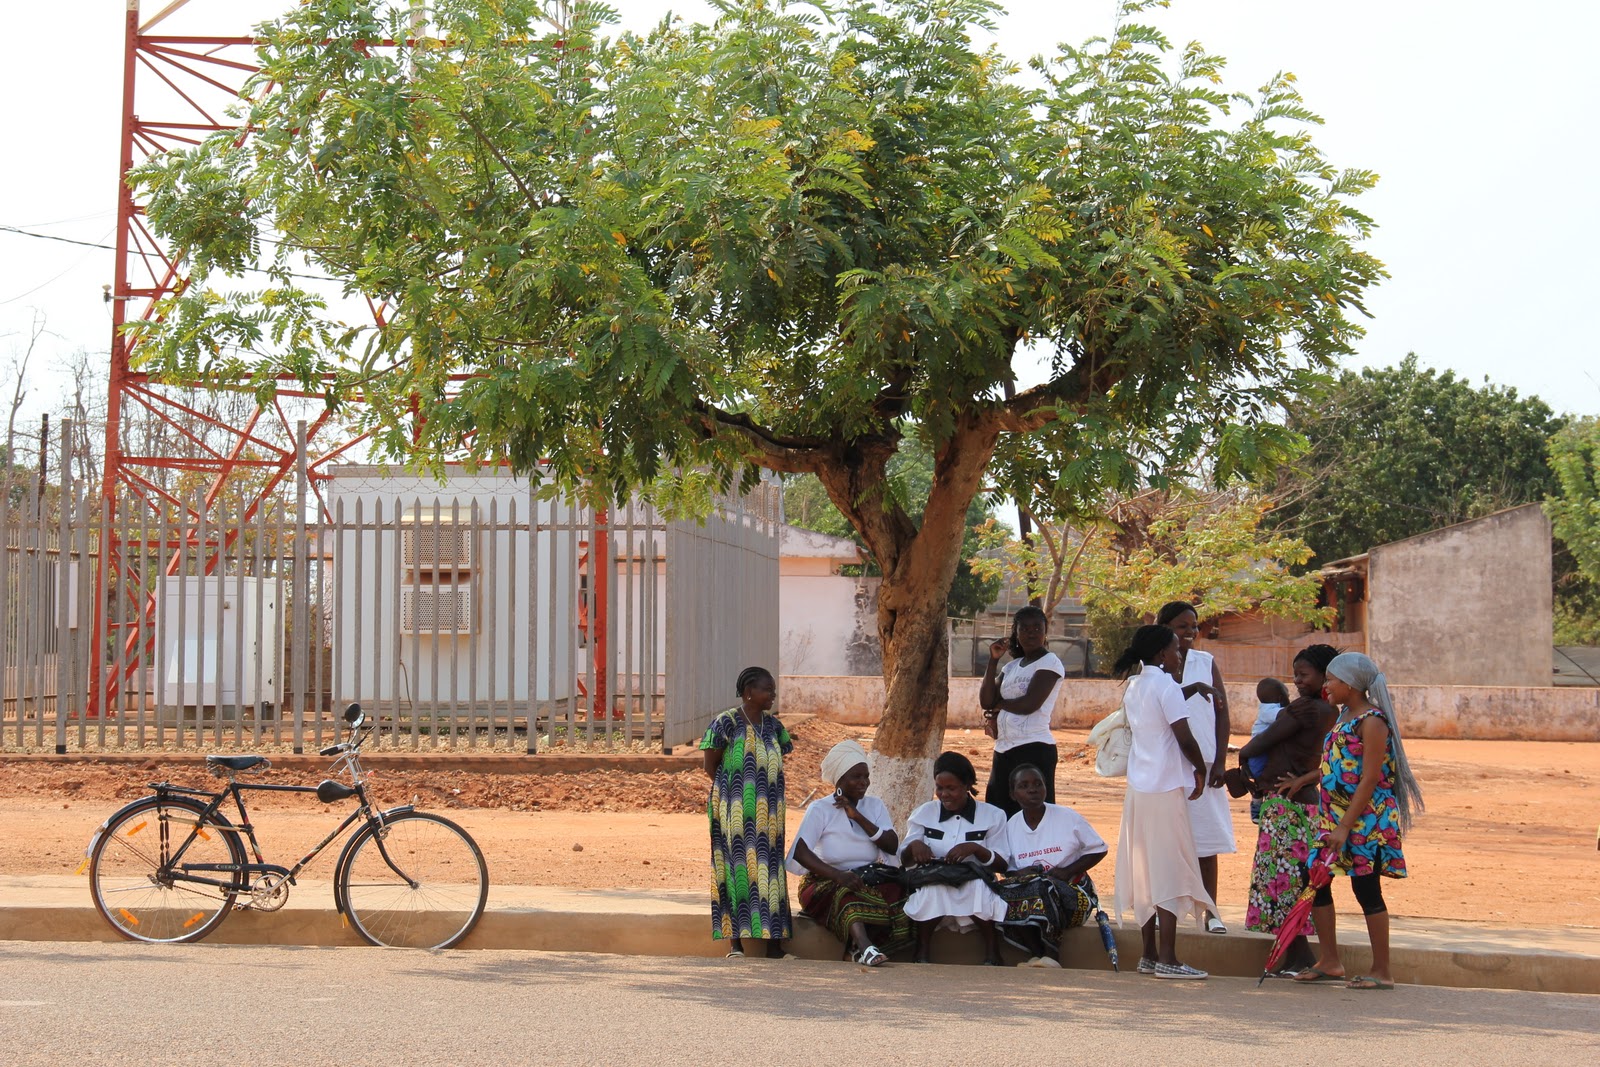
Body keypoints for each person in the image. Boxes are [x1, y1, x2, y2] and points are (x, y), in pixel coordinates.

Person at [1295, 652, 1423, 990]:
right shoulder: (1344, 716)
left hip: (1365, 821)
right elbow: (1337, 763)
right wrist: (1309, 778)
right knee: (1316, 879)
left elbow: (1368, 778)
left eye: (1332, 681)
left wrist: (1344, 827)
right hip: (1334, 818)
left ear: (1350, 685)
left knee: (1366, 888)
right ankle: (1330, 960)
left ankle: (1382, 970)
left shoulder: (1372, 721)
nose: (1326, 686)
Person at [1110, 624, 1216, 979]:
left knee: (1145, 870)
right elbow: (1183, 737)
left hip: (1139, 790)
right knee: (1169, 867)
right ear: (1161, 655)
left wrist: (1190, 688)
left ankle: (1149, 955)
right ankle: (1169, 959)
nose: (1180, 653)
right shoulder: (1166, 685)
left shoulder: (1137, 685)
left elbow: (1158, 711)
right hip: (1165, 789)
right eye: (1175, 648)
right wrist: (1201, 769)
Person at [1236, 644, 1339, 974]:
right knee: (1290, 878)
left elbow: (1261, 742)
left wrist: (1243, 758)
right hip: (1300, 800)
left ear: (1326, 675)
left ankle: (1302, 956)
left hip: (1286, 805)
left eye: (1304, 674)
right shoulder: (1328, 710)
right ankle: (1296, 954)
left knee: (1285, 881)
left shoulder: (1308, 709)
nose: (1297, 680)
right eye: (1295, 674)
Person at [786, 740, 911, 967]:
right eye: (856, 777)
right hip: (825, 880)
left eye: (866, 776)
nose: (864, 783)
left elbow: (892, 845)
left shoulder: (874, 806)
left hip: (868, 877)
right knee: (847, 896)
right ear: (840, 780)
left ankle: (855, 949)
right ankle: (865, 948)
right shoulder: (820, 809)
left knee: (898, 893)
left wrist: (857, 817)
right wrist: (838, 875)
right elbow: (801, 853)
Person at [700, 666, 792, 958]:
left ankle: (774, 947)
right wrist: (736, 796)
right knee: (735, 870)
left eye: (773, 691)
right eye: (767, 690)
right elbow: (710, 766)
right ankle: (735, 944)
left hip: (771, 816)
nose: (772, 696)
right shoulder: (725, 723)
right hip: (735, 814)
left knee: (771, 874)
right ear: (749, 692)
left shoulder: (774, 726)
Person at [1155, 601, 1234, 933]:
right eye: (1181, 626)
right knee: (1166, 841)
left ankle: (1210, 911)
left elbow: (1222, 713)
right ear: (1164, 629)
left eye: (1193, 626)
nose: (1189, 632)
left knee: (1205, 842)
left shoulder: (1206, 662)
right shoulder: (1153, 667)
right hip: (1166, 765)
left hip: (1203, 764)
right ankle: (1165, 911)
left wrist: (1219, 762)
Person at [901, 751, 1010, 965]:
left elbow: (1002, 863)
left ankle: (992, 950)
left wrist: (976, 850)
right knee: (934, 889)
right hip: (934, 876)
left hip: (976, 878)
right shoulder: (924, 813)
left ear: (967, 785)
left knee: (976, 888)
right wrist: (914, 846)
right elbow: (904, 860)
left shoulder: (993, 815)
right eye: (939, 788)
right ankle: (922, 950)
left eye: (951, 788)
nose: (944, 795)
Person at [998, 763, 1107, 967]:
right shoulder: (1011, 826)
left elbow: (1099, 849)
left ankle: (1052, 954)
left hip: (1075, 896)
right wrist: (1021, 872)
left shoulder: (1067, 817)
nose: (1032, 789)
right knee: (1004, 892)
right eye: (1024, 785)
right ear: (1013, 794)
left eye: (1038, 784)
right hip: (1035, 896)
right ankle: (1036, 954)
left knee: (1043, 887)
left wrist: (1068, 871)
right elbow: (1008, 870)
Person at [979, 605, 1065, 817]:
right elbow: (986, 701)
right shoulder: (1012, 667)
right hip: (1004, 750)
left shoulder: (1050, 662)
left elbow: (1030, 704)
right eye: (1024, 628)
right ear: (1015, 633)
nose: (1031, 633)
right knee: (998, 811)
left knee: (1032, 814)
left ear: (1046, 632)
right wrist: (993, 660)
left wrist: (1001, 705)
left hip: (1033, 748)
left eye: (1037, 627)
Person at [1247, 677, 1293, 823]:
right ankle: (1256, 807)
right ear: (1281, 697)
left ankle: (1258, 804)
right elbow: (1285, 715)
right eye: (1288, 695)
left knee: (1262, 780)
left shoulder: (1269, 709)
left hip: (1263, 751)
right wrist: (1300, 707)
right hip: (1258, 753)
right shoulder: (1268, 711)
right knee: (1260, 781)